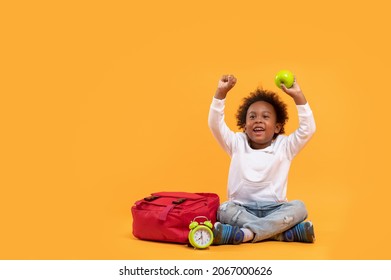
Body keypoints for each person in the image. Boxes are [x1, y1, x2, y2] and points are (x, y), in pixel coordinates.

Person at [208, 74, 316, 245]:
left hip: (276, 209)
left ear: (277, 127)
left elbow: (308, 129)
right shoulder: (236, 143)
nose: (258, 120)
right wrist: (221, 93)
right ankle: (280, 234)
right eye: (252, 117)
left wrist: (298, 95)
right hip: (240, 209)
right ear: (244, 125)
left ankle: (244, 234)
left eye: (265, 117)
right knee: (224, 209)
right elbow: (215, 124)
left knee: (299, 208)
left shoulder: (285, 146)